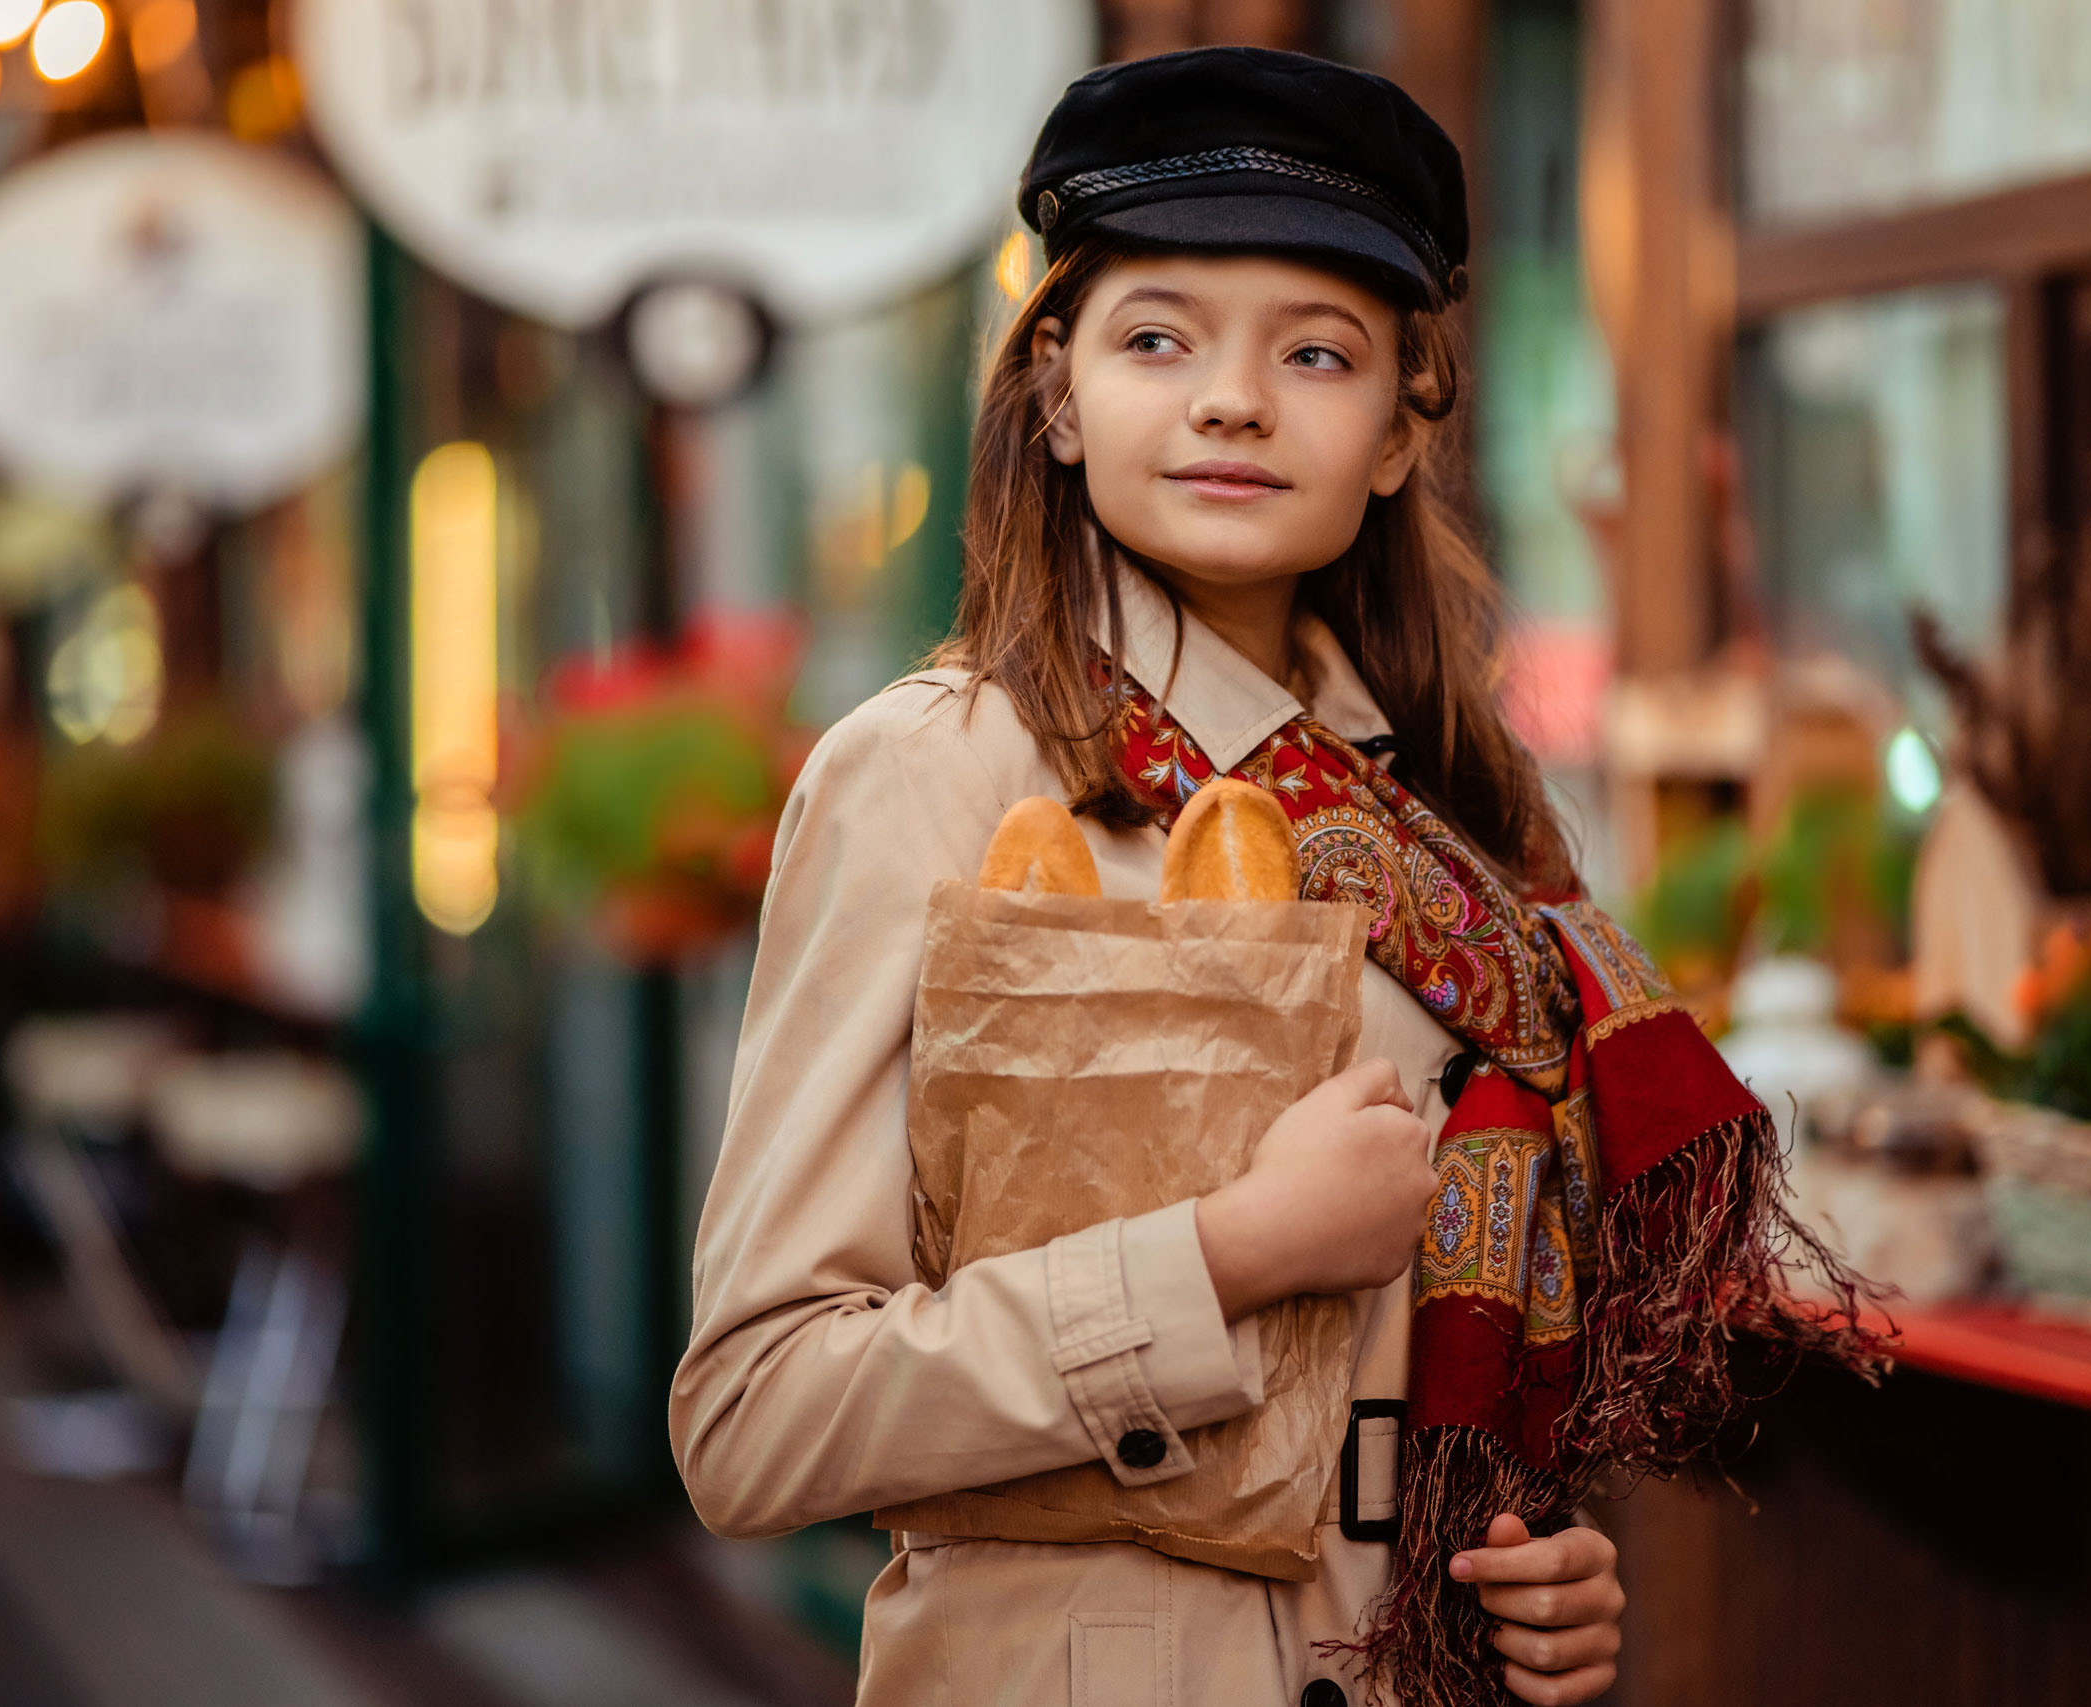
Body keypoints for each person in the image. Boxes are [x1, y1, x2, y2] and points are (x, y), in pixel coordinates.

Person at [675, 47, 1869, 1707]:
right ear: (1058, 395)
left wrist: (1543, 1583)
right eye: (1156, 336)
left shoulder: (1469, 820)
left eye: (1317, 353)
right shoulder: (938, 769)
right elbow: (754, 1414)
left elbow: (1458, 1380)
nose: (1234, 399)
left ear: (1398, 431)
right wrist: (1225, 1254)